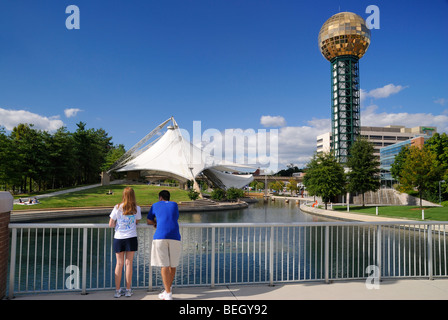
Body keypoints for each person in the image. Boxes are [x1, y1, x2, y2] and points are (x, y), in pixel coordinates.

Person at [147, 190, 181, 300]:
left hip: (160, 236)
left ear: (160, 197)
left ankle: (167, 292)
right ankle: (168, 290)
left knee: (164, 265)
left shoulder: (155, 205)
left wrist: (155, 223)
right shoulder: (174, 205)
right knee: (173, 265)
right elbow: (174, 218)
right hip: (175, 236)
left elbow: (148, 220)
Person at [109, 187, 141, 298]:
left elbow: (111, 224)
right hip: (131, 237)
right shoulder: (136, 208)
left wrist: (118, 225)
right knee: (129, 264)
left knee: (119, 264)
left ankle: (117, 291)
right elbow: (136, 221)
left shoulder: (117, 207)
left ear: (123, 195)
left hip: (119, 237)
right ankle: (128, 290)